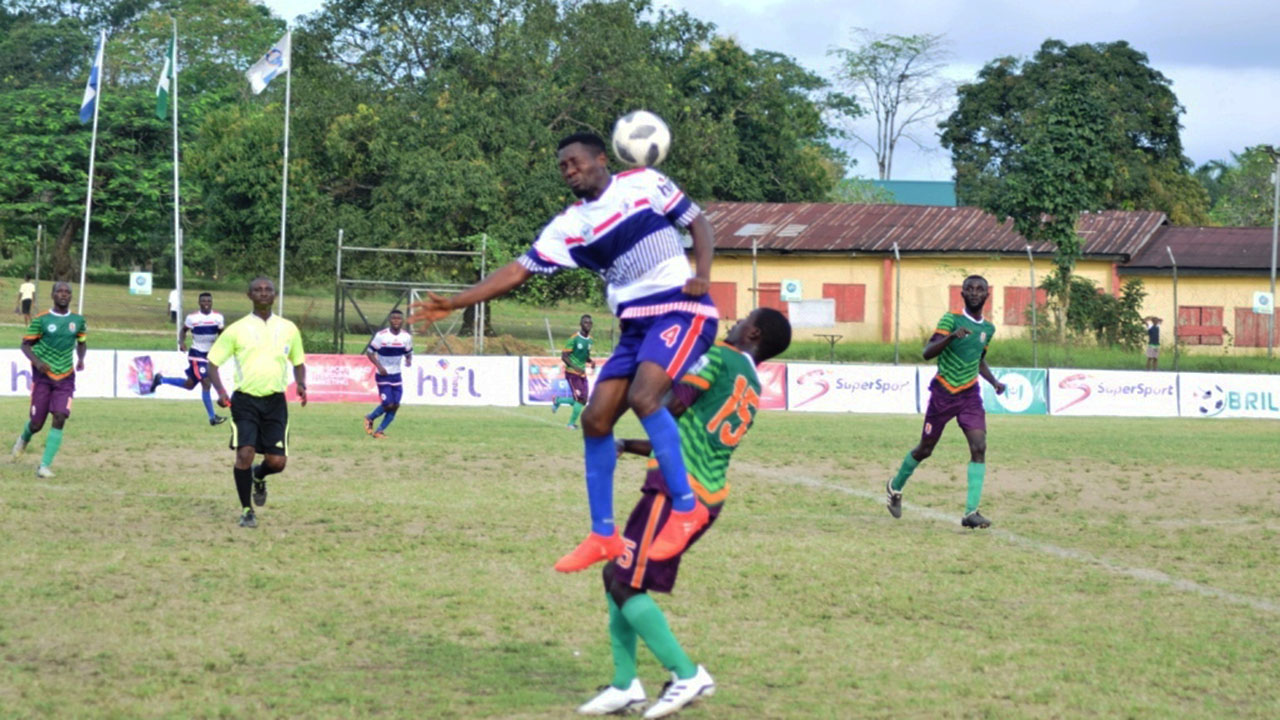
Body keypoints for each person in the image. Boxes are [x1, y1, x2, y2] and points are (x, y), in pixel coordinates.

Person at [411, 132, 718, 573]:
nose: (569, 171)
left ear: (600, 159)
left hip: (681, 309)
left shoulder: (644, 183)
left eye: (574, 162)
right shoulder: (568, 226)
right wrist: (457, 301)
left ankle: (687, 510)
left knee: (644, 397)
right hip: (634, 324)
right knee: (594, 420)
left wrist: (703, 273)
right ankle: (604, 535)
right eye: (562, 167)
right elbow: (519, 270)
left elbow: (698, 223)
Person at [576, 308, 791, 718]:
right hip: (703, 495)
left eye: (743, 319)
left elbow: (667, 409)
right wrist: (628, 445)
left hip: (677, 493)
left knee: (624, 585)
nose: (734, 323)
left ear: (754, 332)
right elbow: (684, 429)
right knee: (615, 574)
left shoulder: (719, 357)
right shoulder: (749, 383)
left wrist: (628, 396)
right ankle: (625, 685)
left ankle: (687, 674)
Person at [885, 275, 1006, 529]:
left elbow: (978, 359)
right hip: (943, 393)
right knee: (925, 449)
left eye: (980, 289)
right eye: (970, 289)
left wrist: (993, 382)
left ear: (987, 295)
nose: (974, 293)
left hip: (970, 395)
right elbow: (927, 353)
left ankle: (971, 512)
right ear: (962, 294)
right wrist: (951, 337)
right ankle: (895, 486)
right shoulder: (950, 319)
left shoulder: (988, 329)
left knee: (979, 446)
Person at [206, 277, 307, 529]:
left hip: (275, 402)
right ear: (248, 295)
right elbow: (212, 363)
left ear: (275, 295)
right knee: (245, 454)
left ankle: (259, 477)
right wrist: (220, 391)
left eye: (268, 290)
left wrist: (301, 384)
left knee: (277, 463)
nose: (263, 293)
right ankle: (247, 510)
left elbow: (298, 362)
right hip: (245, 401)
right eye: (257, 290)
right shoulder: (237, 329)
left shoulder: (288, 328)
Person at [11, 281, 86, 478]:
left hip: (66, 376)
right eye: (59, 291)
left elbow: (81, 341)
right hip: (43, 376)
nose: (64, 294)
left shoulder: (78, 320)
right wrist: (37, 362)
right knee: (36, 424)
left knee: (60, 416)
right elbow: (25, 345)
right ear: (53, 295)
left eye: (67, 292)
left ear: (71, 296)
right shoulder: (41, 319)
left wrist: (81, 358)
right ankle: (23, 439)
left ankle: (44, 466)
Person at [148, 292, 227, 425]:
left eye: (209, 301)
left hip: (210, 355)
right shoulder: (193, 318)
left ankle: (160, 380)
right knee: (206, 382)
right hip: (197, 354)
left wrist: (224, 346)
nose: (206, 303)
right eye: (204, 301)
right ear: (199, 303)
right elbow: (183, 331)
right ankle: (212, 418)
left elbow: (222, 334)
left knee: (189, 385)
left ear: (212, 302)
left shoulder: (218, 317)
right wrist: (182, 342)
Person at [363, 309, 413, 438]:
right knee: (388, 404)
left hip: (397, 375)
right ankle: (370, 417)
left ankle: (379, 431)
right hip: (383, 375)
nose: (396, 320)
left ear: (402, 321)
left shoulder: (406, 337)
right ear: (390, 320)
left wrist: (408, 360)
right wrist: (379, 366)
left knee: (395, 405)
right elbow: (369, 352)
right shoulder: (381, 335)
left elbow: (408, 352)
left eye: (399, 318)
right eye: (394, 318)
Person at [553, 313, 595, 430]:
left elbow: (584, 355)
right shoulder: (574, 339)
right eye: (586, 322)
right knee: (580, 399)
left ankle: (558, 400)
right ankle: (570, 424)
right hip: (572, 372)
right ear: (581, 324)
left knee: (584, 400)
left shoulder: (590, 340)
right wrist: (575, 367)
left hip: (582, 373)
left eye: (590, 323)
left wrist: (590, 361)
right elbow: (564, 356)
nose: (588, 325)